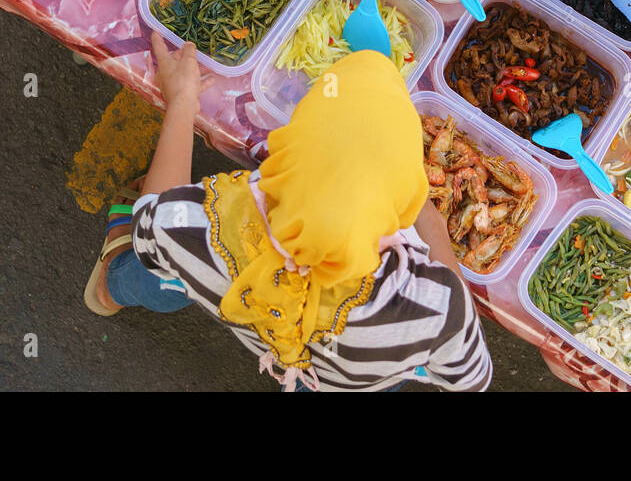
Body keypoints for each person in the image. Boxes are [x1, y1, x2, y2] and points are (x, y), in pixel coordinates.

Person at [83, 31, 492, 392]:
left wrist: (183, 100)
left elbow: (154, 218)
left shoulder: (215, 225)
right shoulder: (432, 308)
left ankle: (109, 290)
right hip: (335, 381)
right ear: (405, 198)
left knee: (165, 278)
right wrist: (435, 228)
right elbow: (472, 378)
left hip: (224, 289)